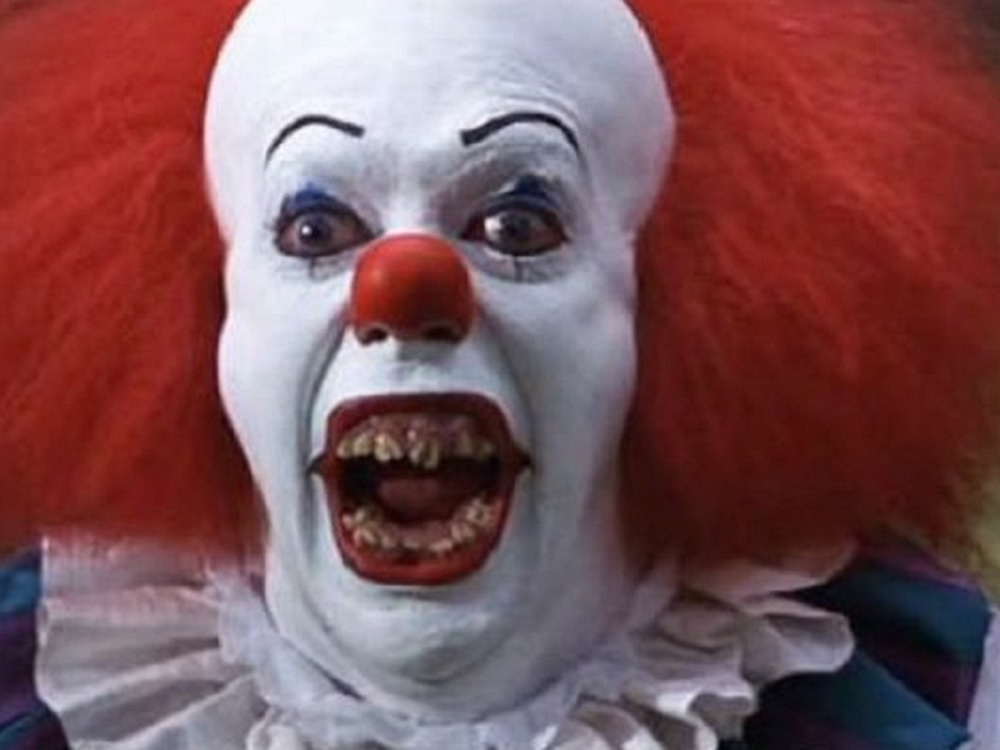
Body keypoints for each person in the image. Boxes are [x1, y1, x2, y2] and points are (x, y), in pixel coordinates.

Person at [1, 0, 999, 747]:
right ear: (210, 308)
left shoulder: (922, 695)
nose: (403, 289)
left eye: (518, 225)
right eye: (316, 230)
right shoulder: (46, 686)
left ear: (668, 301)